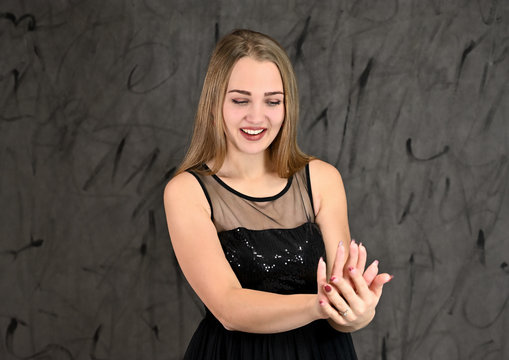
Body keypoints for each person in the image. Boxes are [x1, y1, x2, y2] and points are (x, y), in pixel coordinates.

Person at [164, 29, 393, 359]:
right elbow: (229, 309)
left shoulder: (322, 179)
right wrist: (321, 304)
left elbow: (346, 313)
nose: (256, 117)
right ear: (215, 102)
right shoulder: (187, 191)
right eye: (240, 100)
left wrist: (360, 310)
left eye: (272, 101)